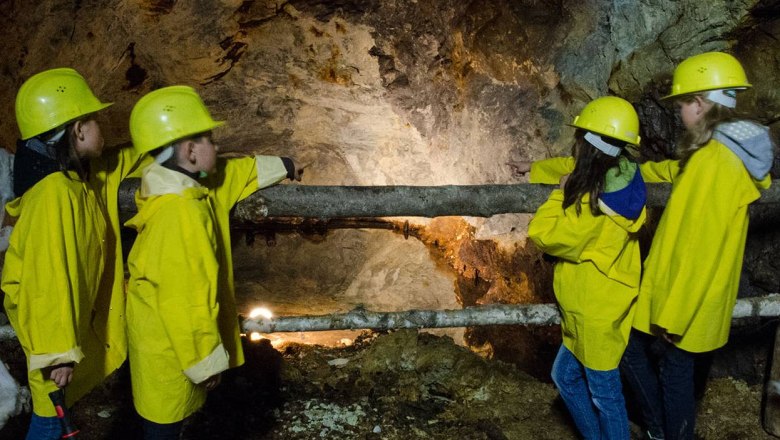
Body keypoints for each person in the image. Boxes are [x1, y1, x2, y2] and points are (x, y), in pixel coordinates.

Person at [124, 85, 298, 438]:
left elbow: (230, 174)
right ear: (189, 150)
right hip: (173, 352)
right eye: (210, 140)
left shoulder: (176, 188)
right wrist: (205, 362)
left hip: (160, 346)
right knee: (163, 430)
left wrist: (285, 165)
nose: (217, 147)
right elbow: (183, 298)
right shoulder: (181, 214)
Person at [619, 51, 774, 440]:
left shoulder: (714, 163)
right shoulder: (719, 154)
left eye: (683, 104)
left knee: (668, 368)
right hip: (700, 293)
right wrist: (616, 169)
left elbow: (701, 243)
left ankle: (667, 433)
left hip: (686, 296)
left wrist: (676, 313)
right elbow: (673, 173)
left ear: (700, 103)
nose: (680, 112)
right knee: (678, 368)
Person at [1, 67, 149, 439]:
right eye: (94, 119)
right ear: (78, 130)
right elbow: (45, 278)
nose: (102, 125)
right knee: (49, 421)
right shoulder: (54, 196)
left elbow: (116, 163)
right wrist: (57, 354)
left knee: (51, 416)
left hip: (60, 333)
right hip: (51, 338)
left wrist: (167, 147)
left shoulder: (73, 180)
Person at [528, 96, 647, 440]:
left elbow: (544, 234)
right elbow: (574, 166)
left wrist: (556, 194)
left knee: (606, 395)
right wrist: (536, 168)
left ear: (587, 146)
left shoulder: (590, 209)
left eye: (579, 137)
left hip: (593, 311)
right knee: (566, 377)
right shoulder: (623, 174)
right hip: (598, 305)